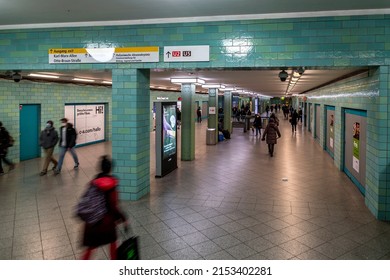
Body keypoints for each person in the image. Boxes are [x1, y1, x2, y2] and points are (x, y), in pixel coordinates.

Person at [81, 155, 127, 260]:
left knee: (91, 247)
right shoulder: (112, 183)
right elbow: (113, 206)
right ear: (110, 168)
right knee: (112, 243)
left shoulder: (93, 183)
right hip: (106, 223)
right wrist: (123, 219)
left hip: (92, 223)